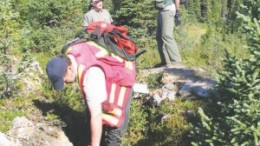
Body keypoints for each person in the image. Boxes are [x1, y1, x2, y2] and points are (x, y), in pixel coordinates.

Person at [46, 40, 136, 146]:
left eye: (64, 80)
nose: (64, 84)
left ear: (69, 68)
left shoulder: (90, 78)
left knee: (114, 132)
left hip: (123, 76)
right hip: (105, 71)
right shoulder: (70, 51)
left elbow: (96, 115)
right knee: (93, 112)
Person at [155, 0, 182, 67]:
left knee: (167, 35)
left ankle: (176, 61)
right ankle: (164, 61)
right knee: (159, 37)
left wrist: (177, 12)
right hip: (161, 10)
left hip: (168, 10)